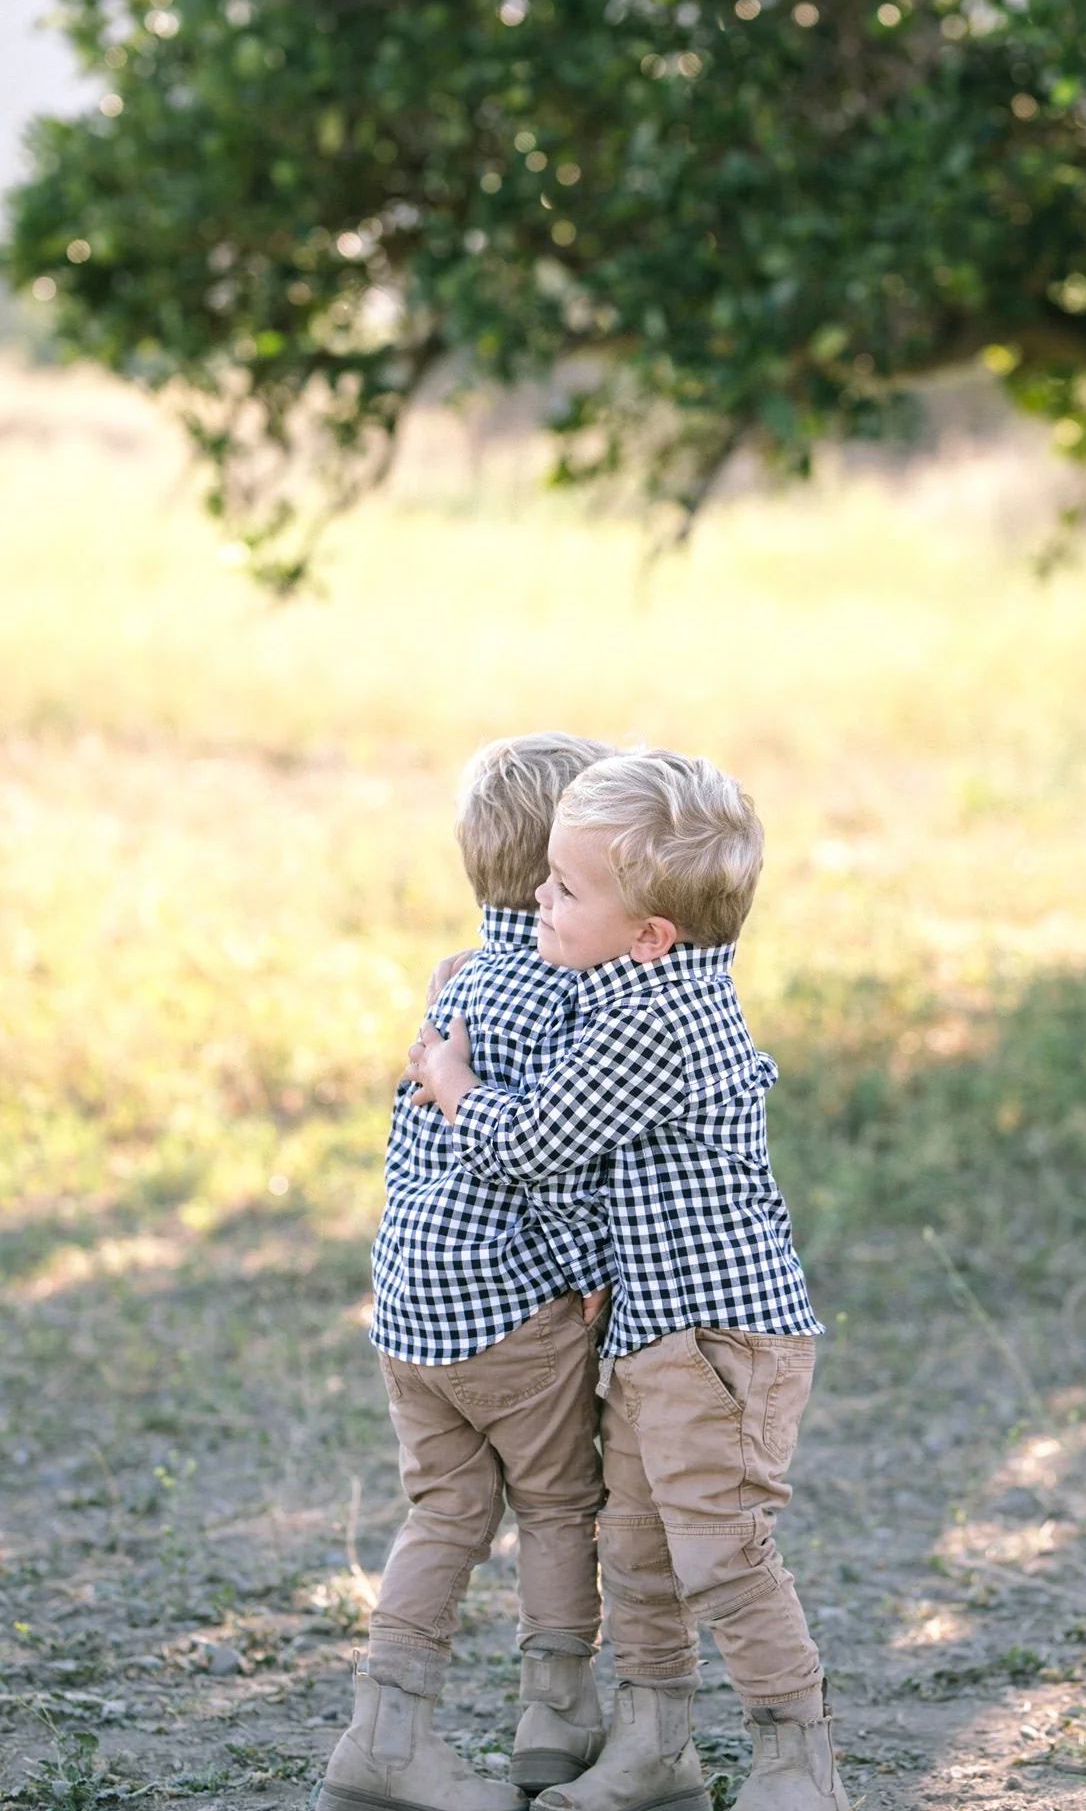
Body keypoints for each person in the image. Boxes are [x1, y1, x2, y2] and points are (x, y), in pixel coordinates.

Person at [410, 750, 850, 1811]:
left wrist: (452, 1083)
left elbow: (534, 1146)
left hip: (714, 1338)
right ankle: (653, 1747)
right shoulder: (634, 995)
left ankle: (800, 1763)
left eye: (563, 888)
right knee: (639, 1548)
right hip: (657, 1332)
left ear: (650, 934)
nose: (537, 898)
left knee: (722, 1552)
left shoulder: (653, 1023)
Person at [319, 732, 618, 1811]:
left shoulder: (459, 981)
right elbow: (545, 1157)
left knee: (444, 1513)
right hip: (511, 1308)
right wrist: (592, 1273)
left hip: (409, 1311)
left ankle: (385, 1735)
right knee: (557, 1504)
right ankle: (557, 1712)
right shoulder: (565, 995)